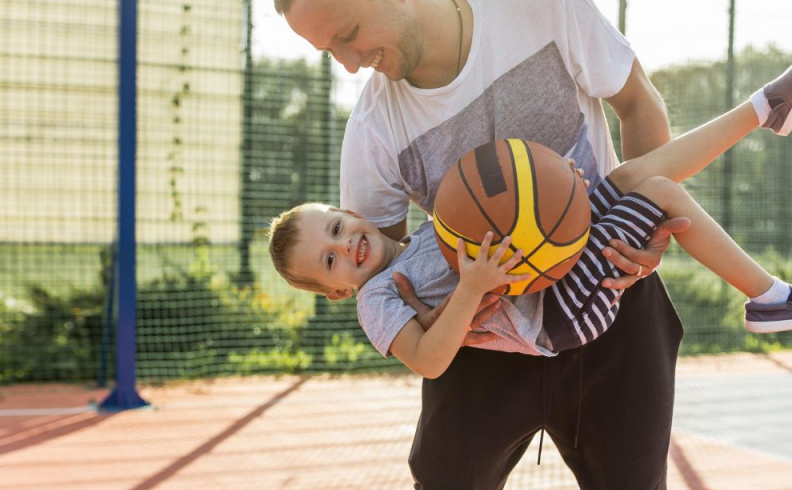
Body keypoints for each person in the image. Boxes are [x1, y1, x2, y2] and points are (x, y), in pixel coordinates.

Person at [271, 0, 754, 490]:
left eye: (349, 34)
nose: (348, 63)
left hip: (604, 288)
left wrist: (638, 230)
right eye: (330, 53)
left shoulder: (540, 8)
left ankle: (761, 124)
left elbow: (639, 104)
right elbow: (383, 275)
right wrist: (436, 319)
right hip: (482, 326)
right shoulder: (373, 127)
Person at [267, 68, 792, 382]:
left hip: (558, 263)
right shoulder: (375, 300)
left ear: (350, 212)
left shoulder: (428, 230)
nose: (344, 246)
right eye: (329, 261)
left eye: (335, 228)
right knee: (657, 192)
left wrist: (553, 189)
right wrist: (471, 288)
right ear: (336, 292)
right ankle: (768, 296)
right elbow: (428, 362)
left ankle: (763, 108)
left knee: (630, 175)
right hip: (556, 315)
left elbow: (509, 214)